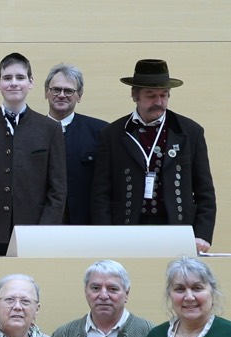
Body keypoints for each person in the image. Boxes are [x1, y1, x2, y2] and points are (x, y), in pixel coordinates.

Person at [91, 59, 216, 253]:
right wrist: (104, 236)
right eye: (151, 95)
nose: (158, 102)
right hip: (127, 226)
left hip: (177, 226)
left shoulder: (190, 132)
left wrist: (202, 234)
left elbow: (204, 192)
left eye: (163, 95)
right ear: (135, 95)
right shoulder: (112, 134)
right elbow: (101, 193)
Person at [0, 53, 66, 256]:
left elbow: (58, 189)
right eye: (7, 78)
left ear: (31, 82)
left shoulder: (50, 129)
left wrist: (45, 232)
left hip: (36, 233)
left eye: (20, 77)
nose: (14, 83)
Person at [44, 63, 108, 225]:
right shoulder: (30, 131)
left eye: (69, 91)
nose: (61, 95)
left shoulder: (100, 132)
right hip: (42, 223)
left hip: (86, 223)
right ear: (46, 92)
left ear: (79, 95)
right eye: (56, 89)